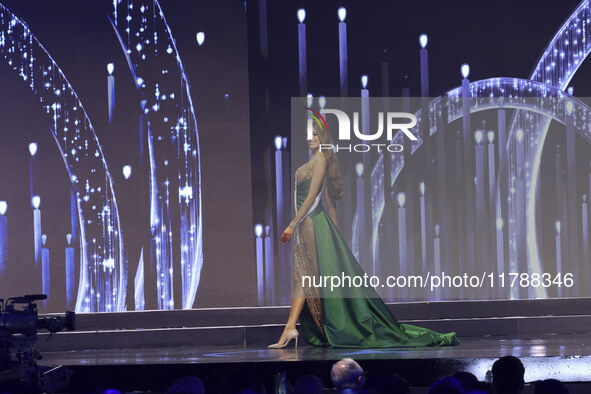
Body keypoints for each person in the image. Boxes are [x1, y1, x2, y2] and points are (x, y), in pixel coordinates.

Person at [268, 121, 460, 348]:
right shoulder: (316, 160)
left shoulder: (320, 159)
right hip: (309, 224)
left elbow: (311, 197)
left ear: (324, 137)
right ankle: (291, 328)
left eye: (316, 135)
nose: (311, 138)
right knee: (303, 277)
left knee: (305, 277)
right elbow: (328, 201)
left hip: (309, 223)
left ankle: (291, 328)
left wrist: (292, 224)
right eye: (309, 134)